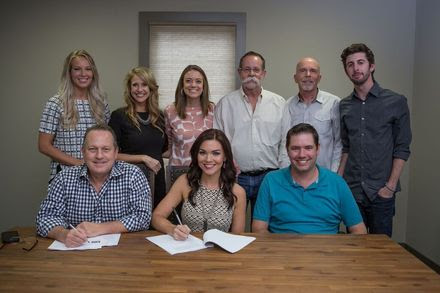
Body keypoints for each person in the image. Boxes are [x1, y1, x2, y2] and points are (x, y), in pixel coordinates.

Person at [36, 124, 152, 247]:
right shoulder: (64, 178)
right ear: (83, 152)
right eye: (92, 149)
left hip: (122, 254)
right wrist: (63, 234)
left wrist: (101, 228)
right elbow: (44, 218)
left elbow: (143, 217)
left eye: (106, 149)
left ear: (116, 152)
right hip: (74, 254)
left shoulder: (133, 175)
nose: (99, 156)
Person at [338, 43, 412, 237]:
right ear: (346, 70)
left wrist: (390, 186)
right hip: (352, 190)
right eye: (350, 64)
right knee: (354, 251)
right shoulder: (344, 105)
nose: (356, 68)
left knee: (382, 253)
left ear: (371, 66)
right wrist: (339, 182)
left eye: (360, 62)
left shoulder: (396, 101)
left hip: (381, 190)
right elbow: (346, 147)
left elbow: (402, 148)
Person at [252, 123, 367, 234]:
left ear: (317, 149)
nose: (302, 154)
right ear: (287, 150)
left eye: (308, 148)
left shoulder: (337, 183)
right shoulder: (271, 181)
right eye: (295, 148)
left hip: (328, 252)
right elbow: (259, 229)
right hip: (283, 251)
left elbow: (359, 230)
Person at [214, 51, 285, 217]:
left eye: (256, 69)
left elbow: (285, 142)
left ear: (263, 73)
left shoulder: (279, 103)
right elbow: (217, 141)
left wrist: (282, 173)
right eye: (246, 69)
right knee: (231, 227)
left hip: (270, 176)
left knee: (265, 227)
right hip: (236, 177)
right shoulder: (225, 104)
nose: (251, 74)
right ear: (240, 73)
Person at [152, 129, 246, 240]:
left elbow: (237, 237)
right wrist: (172, 229)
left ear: (225, 157)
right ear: (196, 155)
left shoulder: (238, 192)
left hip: (220, 254)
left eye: (216, 153)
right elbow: (156, 217)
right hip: (187, 250)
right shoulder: (184, 182)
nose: (208, 159)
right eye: (202, 153)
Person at [38, 49, 110, 181]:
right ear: (69, 73)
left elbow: (107, 140)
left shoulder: (100, 103)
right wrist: (79, 164)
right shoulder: (56, 103)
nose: (83, 74)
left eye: (88, 69)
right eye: (77, 69)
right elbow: (44, 145)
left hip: (96, 176)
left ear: (93, 73)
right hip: (65, 176)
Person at [109, 67, 167, 208]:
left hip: (157, 180)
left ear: (151, 88)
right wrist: (142, 158)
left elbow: (164, 151)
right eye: (135, 85)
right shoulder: (119, 116)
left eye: (144, 84)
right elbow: (110, 154)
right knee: (133, 225)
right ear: (129, 88)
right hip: (129, 181)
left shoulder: (160, 116)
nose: (139, 89)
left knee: (155, 225)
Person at [280, 57, 341, 172]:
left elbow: (339, 144)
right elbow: (284, 143)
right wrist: (286, 176)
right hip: (295, 177)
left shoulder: (333, 103)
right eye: (303, 70)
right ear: (295, 78)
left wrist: (333, 176)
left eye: (313, 71)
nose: (308, 74)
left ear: (319, 78)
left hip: (325, 176)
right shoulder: (288, 105)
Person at [164, 65, 214, 169]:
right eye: (188, 81)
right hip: (178, 171)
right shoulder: (170, 110)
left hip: (206, 171)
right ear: (182, 84)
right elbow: (169, 146)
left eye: (198, 81)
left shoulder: (213, 110)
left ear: (204, 86)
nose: (193, 85)